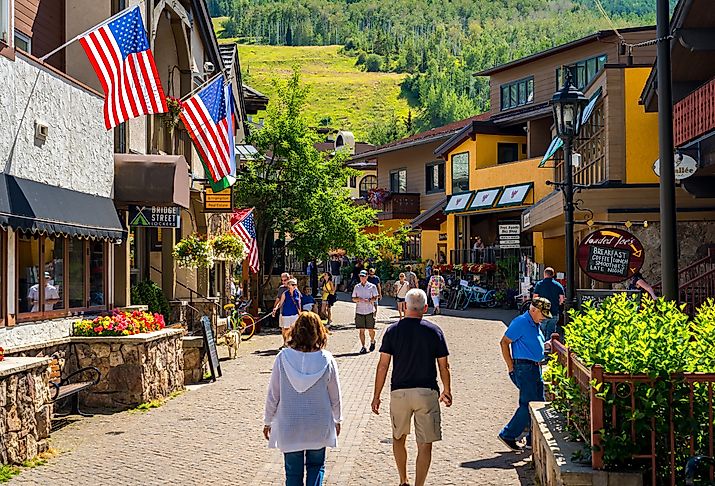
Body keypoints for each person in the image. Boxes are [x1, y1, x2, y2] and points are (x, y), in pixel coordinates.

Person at [371, 289, 452, 486]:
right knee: (425, 443)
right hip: (427, 392)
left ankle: (403, 479)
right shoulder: (434, 331)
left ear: (404, 306)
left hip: (399, 392)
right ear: (425, 307)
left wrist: (376, 395)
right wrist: (447, 389)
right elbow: (444, 365)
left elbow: (383, 365)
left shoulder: (392, 330)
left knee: (398, 437)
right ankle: (419, 484)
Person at [264, 312, 343, 486]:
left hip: (290, 423)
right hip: (318, 423)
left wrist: (268, 420)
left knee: (292, 473)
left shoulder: (282, 358)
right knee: (316, 467)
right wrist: (337, 419)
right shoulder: (327, 360)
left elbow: (273, 394)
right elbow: (335, 396)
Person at [498, 297, 550, 451]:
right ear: (533, 310)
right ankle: (508, 434)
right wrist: (510, 366)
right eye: (543, 314)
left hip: (533, 367)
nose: (544, 318)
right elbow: (504, 342)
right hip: (524, 367)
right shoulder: (521, 322)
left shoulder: (535, 323)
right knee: (527, 403)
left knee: (539, 402)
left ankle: (530, 439)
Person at [532, 267, 565, 340]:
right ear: (553, 275)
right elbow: (562, 299)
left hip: (542, 312)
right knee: (551, 332)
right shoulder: (558, 285)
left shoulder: (539, 284)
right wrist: (558, 304)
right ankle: (549, 348)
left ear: (544, 274)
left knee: (541, 331)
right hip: (554, 312)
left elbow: (535, 297)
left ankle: (541, 347)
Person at [352, 270, 379, 354]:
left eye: (364, 276)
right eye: (361, 276)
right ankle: (363, 347)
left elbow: (376, 297)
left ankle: (372, 341)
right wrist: (358, 299)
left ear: (367, 276)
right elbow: (353, 298)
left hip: (369, 310)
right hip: (359, 311)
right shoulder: (357, 287)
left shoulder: (372, 286)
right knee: (361, 330)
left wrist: (370, 300)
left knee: (371, 330)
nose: (362, 278)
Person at [273, 278, 302, 348]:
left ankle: (294, 343)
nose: (294, 286)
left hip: (294, 314)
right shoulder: (285, 293)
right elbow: (280, 303)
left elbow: (299, 304)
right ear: (289, 285)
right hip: (286, 313)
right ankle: (286, 342)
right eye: (293, 284)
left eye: (295, 284)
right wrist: (276, 308)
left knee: (295, 329)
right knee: (286, 329)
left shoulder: (297, 293)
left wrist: (300, 313)